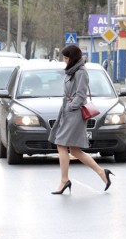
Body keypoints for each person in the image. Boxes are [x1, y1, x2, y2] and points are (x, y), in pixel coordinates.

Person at [48, 45, 113, 194]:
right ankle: (102, 173)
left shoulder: (81, 72)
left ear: (73, 58)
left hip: (74, 113)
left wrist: (70, 107)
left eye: (66, 58)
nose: (64, 61)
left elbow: (81, 95)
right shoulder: (73, 71)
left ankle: (64, 180)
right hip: (68, 111)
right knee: (75, 150)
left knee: (61, 144)